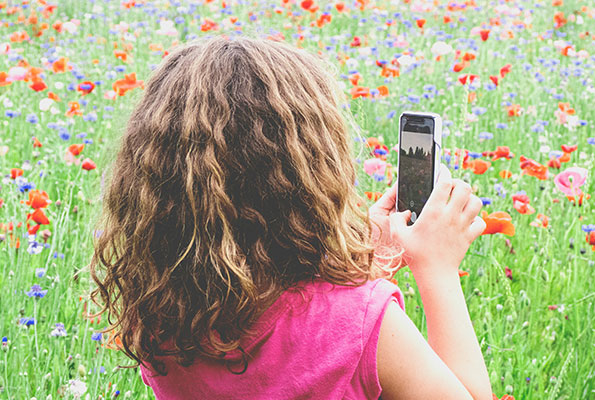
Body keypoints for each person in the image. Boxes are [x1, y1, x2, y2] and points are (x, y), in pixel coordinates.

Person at [89, 35, 491, 399]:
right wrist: (435, 268)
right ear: (312, 175)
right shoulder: (365, 322)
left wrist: (363, 255)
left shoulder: (162, 318)